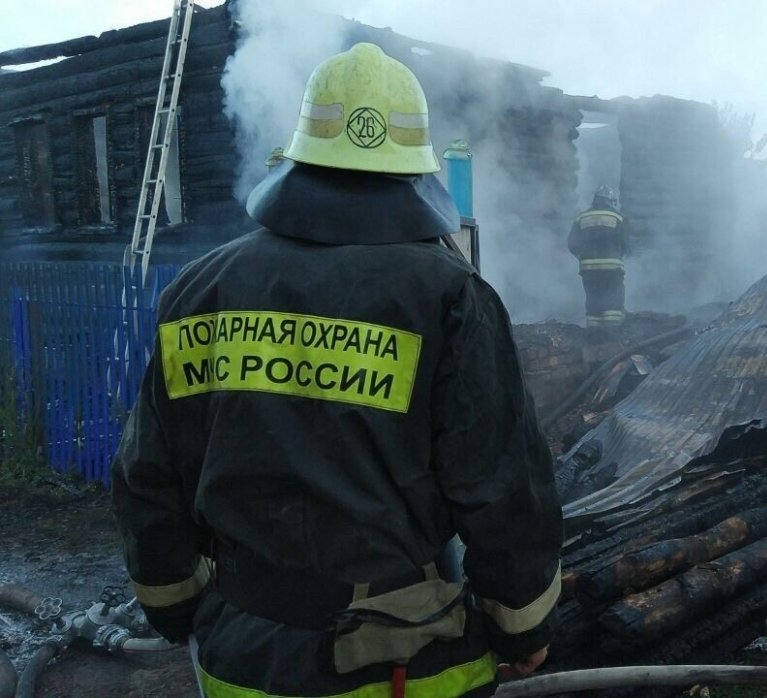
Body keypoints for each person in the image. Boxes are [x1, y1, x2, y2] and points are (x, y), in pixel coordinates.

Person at [111, 42, 563, 698]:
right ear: (414, 171)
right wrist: (522, 627)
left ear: (303, 155)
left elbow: (148, 475)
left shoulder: (199, 290)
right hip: (404, 668)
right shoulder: (450, 296)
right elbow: (500, 485)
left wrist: (177, 606)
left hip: (240, 658)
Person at [568, 185, 628, 327]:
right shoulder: (618, 217)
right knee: (613, 303)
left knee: (593, 302)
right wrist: (619, 254)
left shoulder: (581, 217)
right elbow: (626, 243)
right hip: (612, 268)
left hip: (589, 269)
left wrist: (582, 256)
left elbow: (572, 244)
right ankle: (611, 332)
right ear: (611, 200)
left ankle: (593, 333)